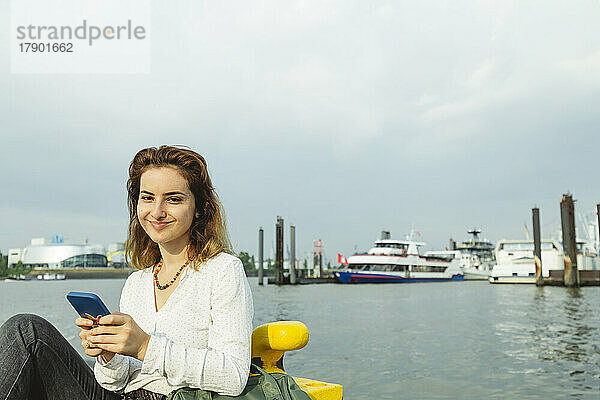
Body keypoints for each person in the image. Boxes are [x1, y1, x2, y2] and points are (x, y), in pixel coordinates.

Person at [0, 145, 254, 400]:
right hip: (122, 396)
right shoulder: (137, 282)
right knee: (27, 331)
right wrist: (108, 354)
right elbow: (117, 381)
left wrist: (145, 346)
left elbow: (233, 376)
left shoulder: (223, 269)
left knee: (26, 329)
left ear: (199, 208)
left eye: (173, 199)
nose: (157, 212)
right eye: (147, 198)